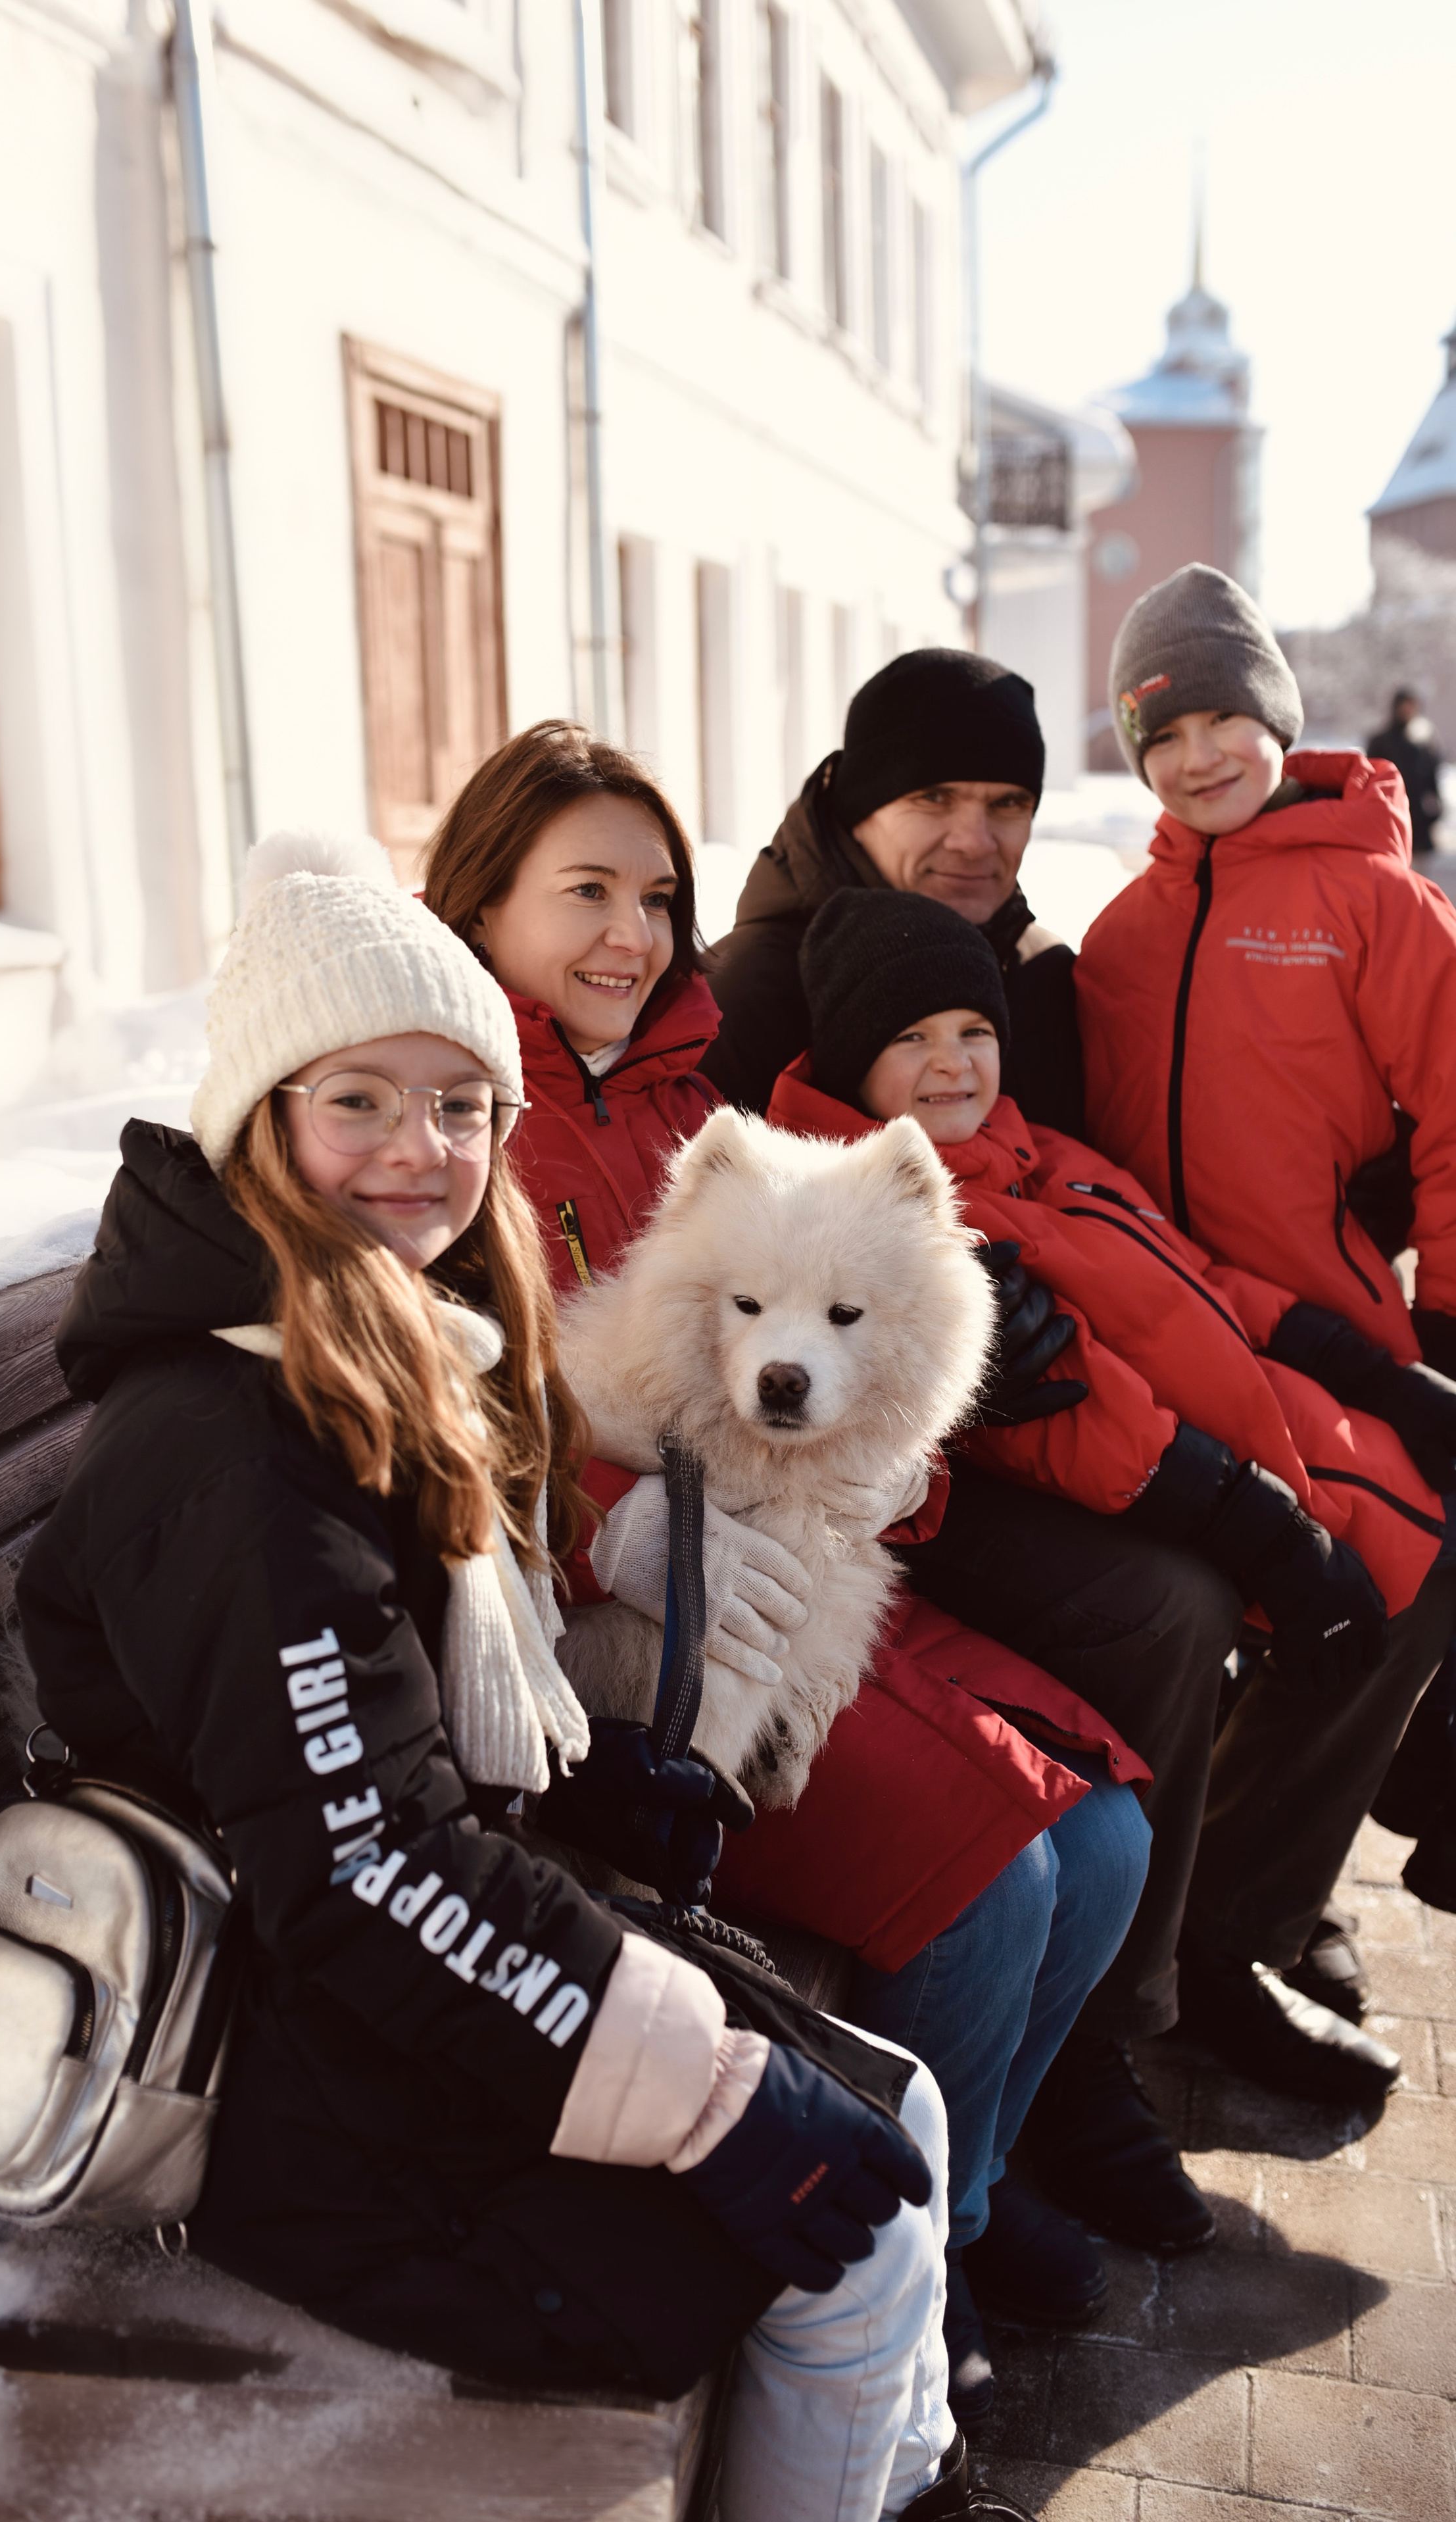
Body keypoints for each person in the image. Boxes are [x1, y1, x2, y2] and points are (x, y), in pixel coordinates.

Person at [14, 835, 1025, 2522]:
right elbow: (356, 1868)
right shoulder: (226, 1439)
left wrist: (584, 1777)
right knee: (846, 2223)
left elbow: (388, 1742)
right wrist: (710, 2098)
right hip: (301, 2073)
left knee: (893, 2104)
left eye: (463, 1104)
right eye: (360, 1101)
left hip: (383, 1987)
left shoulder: (387, 1336)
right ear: (261, 1118)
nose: (422, 1152)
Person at [423, 724, 1157, 2423]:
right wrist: (605, 1516)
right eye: (583, 891)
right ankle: (914, 2258)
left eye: (657, 895)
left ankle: (962, 2182)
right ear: (485, 903)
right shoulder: (456, 1115)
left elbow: (862, 1336)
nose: (630, 933)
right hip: (625, 1639)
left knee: (1103, 1830)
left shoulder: (690, 1094)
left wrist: (902, 1478)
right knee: (992, 1884)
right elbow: (443, 1404)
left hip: (797, 1582)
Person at [781, 887, 1456, 2142]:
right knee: (1308, 1593)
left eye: (972, 1030)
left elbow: (1207, 1279)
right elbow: (1074, 1417)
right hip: (1161, 1475)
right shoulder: (889, 1206)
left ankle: (1240, 1918)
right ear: (849, 1060)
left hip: (1257, 1436)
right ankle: (1174, 1971)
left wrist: (1381, 1373)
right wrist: (1262, 1525)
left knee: (1433, 1549)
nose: (951, 1062)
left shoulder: (1039, 1149)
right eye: (911, 1038)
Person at [1077, 567, 1456, 1920]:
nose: (1192, 759)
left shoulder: (1374, 904)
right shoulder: (1118, 940)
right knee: (1278, 1600)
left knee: (1399, 1570)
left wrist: (1442, 1304)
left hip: (1332, 1341)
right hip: (1165, 1335)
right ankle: (1240, 1914)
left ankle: (1252, 1909)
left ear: (1276, 719)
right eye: (1157, 737)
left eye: (1217, 723)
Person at [702, 649, 1084, 1133]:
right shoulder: (744, 995)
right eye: (933, 798)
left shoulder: (1042, 974)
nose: (974, 842)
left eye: (1008, 803)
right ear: (857, 811)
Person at [1367, 687, 1444, 860]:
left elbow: (1431, 776)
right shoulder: (1381, 742)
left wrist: (1436, 808)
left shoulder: (1423, 742)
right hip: (1389, 814)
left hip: (1418, 818)